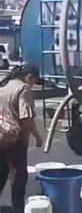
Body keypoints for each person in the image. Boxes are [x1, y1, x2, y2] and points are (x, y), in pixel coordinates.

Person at [0, 64, 43, 212]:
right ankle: (17, 209)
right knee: (18, 177)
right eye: (34, 81)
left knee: (2, 172)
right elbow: (26, 118)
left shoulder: (4, 85)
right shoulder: (23, 89)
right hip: (15, 139)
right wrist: (38, 137)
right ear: (29, 77)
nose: (33, 85)